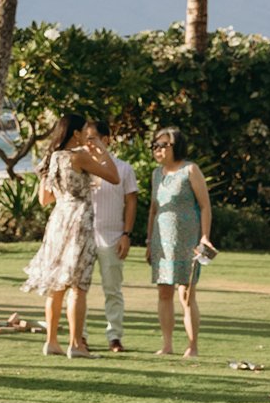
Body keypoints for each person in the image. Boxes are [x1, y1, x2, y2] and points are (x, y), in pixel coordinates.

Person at [20, 112, 120, 358]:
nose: (88, 135)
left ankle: (51, 341)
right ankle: (76, 344)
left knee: (57, 284)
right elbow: (114, 177)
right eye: (85, 130)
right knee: (78, 284)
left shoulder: (53, 158)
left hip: (58, 219)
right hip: (79, 220)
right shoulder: (79, 157)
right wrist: (101, 151)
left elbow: (45, 199)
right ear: (76, 133)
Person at [146, 127, 214, 358]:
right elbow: (153, 210)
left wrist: (204, 237)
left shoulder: (190, 170)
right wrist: (148, 241)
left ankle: (192, 346)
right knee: (164, 292)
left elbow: (205, 206)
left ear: (177, 146)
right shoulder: (156, 174)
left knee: (186, 294)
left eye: (163, 145)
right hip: (161, 241)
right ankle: (167, 344)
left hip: (187, 240)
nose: (158, 150)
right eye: (155, 145)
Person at [88, 118, 138, 353]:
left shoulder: (124, 168)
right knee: (79, 290)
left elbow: (131, 202)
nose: (87, 144)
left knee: (112, 289)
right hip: (85, 237)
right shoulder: (82, 167)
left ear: (106, 139)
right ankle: (81, 335)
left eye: (92, 138)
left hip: (112, 236)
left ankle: (114, 336)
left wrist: (126, 234)